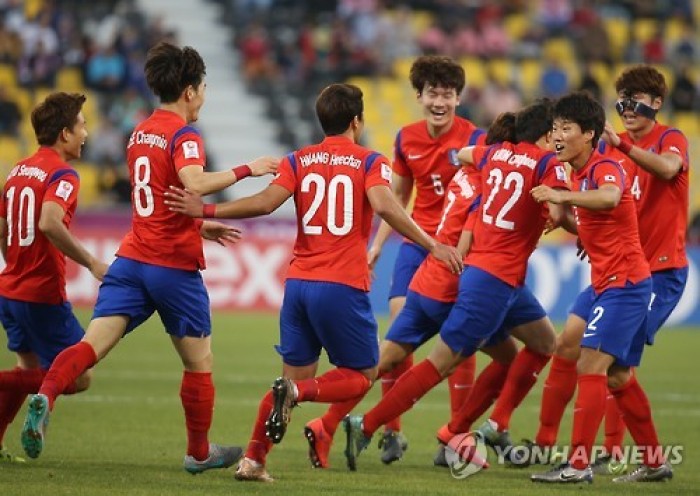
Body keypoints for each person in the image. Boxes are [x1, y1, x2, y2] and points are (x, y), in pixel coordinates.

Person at [164, 82, 463, 482]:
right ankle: (298, 397)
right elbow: (385, 206)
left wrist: (208, 208)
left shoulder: (298, 159)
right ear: (357, 121)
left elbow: (266, 203)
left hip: (299, 285)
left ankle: (253, 460)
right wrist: (432, 244)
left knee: (292, 376)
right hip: (341, 285)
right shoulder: (369, 161)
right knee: (361, 374)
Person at [19, 42, 278, 474]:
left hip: (132, 259)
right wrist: (249, 169)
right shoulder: (184, 134)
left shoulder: (139, 132)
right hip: (173, 268)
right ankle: (198, 453)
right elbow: (192, 182)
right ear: (191, 91)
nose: (204, 95)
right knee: (200, 363)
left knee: (90, 345)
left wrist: (198, 226)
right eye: (204, 87)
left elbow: (158, 201)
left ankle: (45, 395)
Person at [343, 98, 569, 472]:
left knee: (545, 342)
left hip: (498, 278)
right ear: (545, 134)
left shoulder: (493, 154)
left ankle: (489, 426)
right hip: (492, 278)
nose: (559, 140)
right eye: (556, 133)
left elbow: (461, 155)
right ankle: (369, 424)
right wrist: (563, 209)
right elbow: (559, 212)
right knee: (440, 364)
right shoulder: (545, 163)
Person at [527, 65, 689, 477]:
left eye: (566, 128)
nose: (558, 136)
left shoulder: (637, 152)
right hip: (610, 276)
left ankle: (586, 460)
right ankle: (652, 462)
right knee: (604, 366)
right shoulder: (590, 165)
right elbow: (601, 209)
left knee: (596, 364)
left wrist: (566, 195)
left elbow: (618, 193)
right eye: (621, 102)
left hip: (645, 275)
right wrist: (570, 222)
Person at [366, 55, 486, 463]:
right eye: (432, 93)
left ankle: (455, 435)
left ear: (457, 98)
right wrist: (379, 245)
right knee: (400, 331)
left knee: (460, 343)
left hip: (456, 248)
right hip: (416, 242)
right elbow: (398, 200)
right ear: (419, 96)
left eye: (447, 94)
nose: (440, 101)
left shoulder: (475, 140)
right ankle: (392, 431)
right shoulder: (406, 138)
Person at [0, 92, 108, 463]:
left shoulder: (18, 170)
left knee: (28, 371)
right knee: (77, 376)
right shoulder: (62, 173)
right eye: (81, 125)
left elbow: (1, 229)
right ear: (64, 133)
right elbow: (48, 221)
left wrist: (15, 266)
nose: (85, 133)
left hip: (9, 290)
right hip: (42, 294)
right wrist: (92, 262)